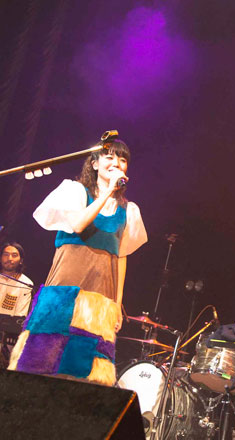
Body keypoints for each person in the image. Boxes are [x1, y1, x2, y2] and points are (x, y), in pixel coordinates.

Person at [8, 137, 147, 386]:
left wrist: (117, 303)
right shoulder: (74, 192)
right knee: (41, 361)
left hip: (99, 297)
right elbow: (79, 224)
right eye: (110, 157)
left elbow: (121, 256)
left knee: (85, 372)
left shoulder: (129, 210)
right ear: (94, 163)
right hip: (64, 289)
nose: (117, 163)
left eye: (123, 159)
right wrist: (108, 192)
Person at [0, 242, 33, 317]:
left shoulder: (25, 283)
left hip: (8, 324)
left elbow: (20, 315)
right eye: (6, 254)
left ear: (21, 261)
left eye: (14, 255)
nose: (9, 258)